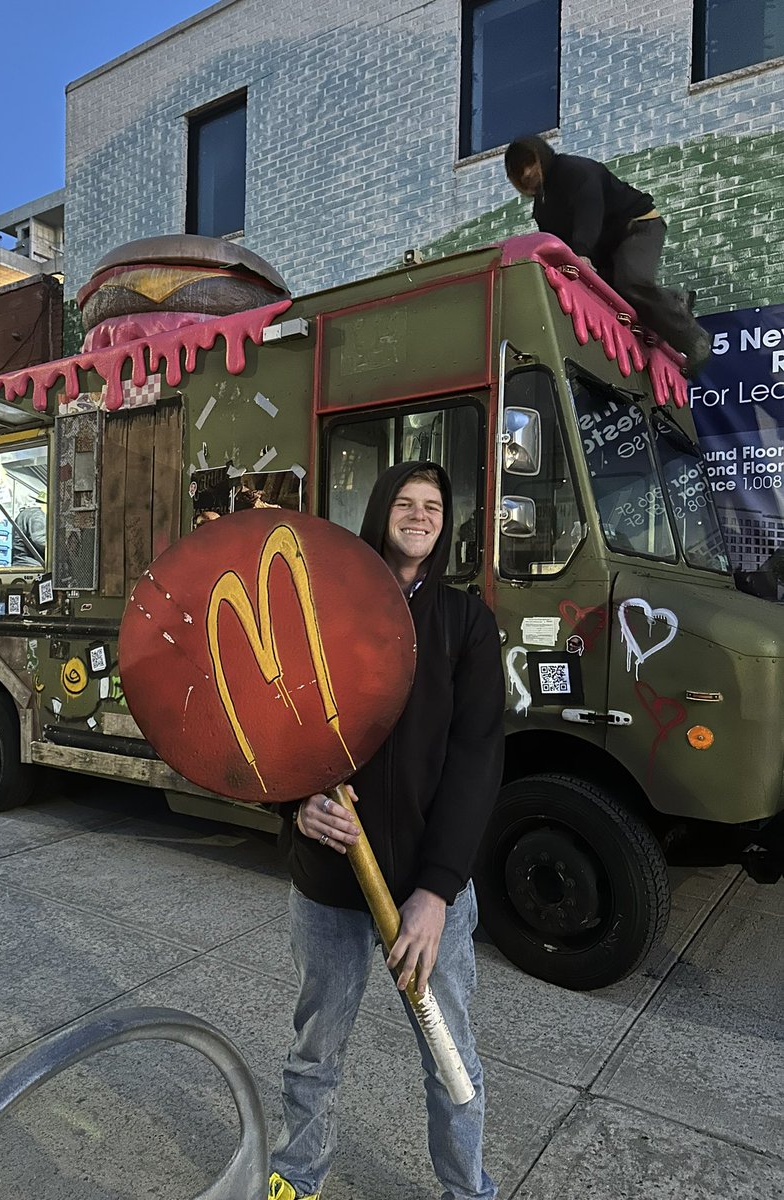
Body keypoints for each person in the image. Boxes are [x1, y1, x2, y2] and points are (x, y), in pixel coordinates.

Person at [269, 462, 505, 1200]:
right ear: (381, 513)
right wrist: (295, 807)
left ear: (445, 524)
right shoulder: (328, 611)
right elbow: (280, 724)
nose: (420, 514)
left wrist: (438, 892)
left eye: (434, 505)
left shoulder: (467, 622)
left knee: (451, 1057)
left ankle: (467, 1192)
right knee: (315, 1054)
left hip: (424, 900)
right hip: (332, 887)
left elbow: (476, 758)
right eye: (405, 502)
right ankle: (295, 1181)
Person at [504, 135, 711, 372]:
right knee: (607, 299)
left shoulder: (574, 170)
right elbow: (555, 244)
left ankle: (694, 339)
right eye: (520, 175)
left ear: (540, 158)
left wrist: (582, 252)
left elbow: (589, 209)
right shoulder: (543, 206)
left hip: (637, 227)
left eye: (530, 167)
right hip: (608, 251)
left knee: (631, 281)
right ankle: (674, 301)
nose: (527, 176)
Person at [13, 489, 47, 566]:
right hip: (32, 563)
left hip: (21, 562)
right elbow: (39, 539)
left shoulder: (27, 512)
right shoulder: (37, 515)